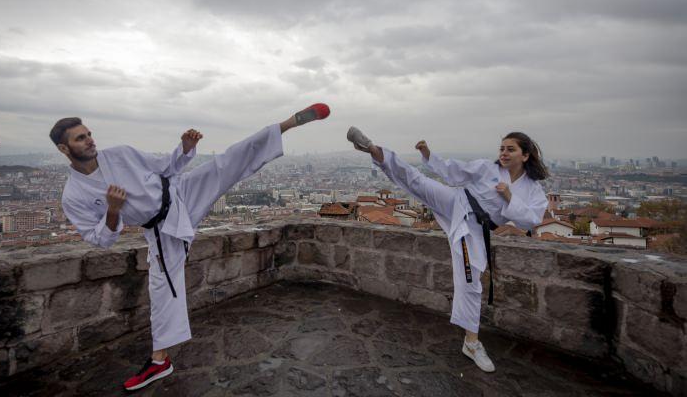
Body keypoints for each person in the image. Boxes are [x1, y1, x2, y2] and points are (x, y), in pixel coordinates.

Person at [51, 104, 330, 391]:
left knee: (227, 162)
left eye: (89, 134)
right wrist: (112, 211)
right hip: (162, 229)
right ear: (64, 148)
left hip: (181, 191)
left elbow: (165, 167)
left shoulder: (119, 154)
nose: (90, 140)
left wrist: (184, 148)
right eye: (80, 138)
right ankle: (159, 360)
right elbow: (100, 239)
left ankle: (288, 123)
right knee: (162, 287)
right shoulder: (74, 195)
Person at [347, 127, 548, 372]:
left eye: (510, 149)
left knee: (470, 280)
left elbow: (532, 219)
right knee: (417, 182)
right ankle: (374, 150)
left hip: (474, 228)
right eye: (502, 148)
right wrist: (429, 155)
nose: (504, 153)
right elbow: (456, 171)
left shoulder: (533, 190)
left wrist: (509, 198)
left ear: (525, 156)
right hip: (457, 201)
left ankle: (471, 343)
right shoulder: (488, 168)